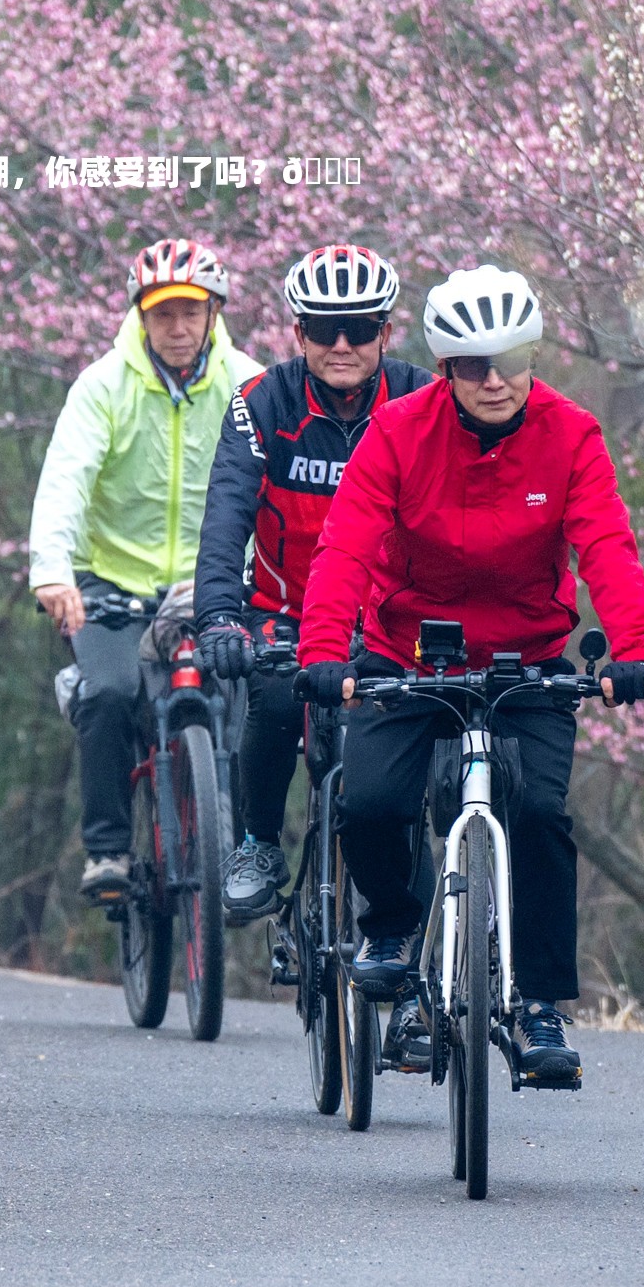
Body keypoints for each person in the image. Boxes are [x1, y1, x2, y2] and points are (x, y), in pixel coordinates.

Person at [295, 264, 644, 1090]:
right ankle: (390, 928)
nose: (494, 380)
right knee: (373, 801)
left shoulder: (571, 436)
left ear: (532, 355)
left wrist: (635, 650)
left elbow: (606, 543)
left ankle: (537, 1007)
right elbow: (346, 546)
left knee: (537, 809)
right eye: (471, 365)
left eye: (511, 359)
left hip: (525, 659)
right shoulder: (396, 432)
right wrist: (325, 652)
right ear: (445, 368)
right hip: (407, 653)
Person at [193, 243, 427, 922]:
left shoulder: (420, 399)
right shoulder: (261, 402)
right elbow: (227, 513)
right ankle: (258, 843)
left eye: (362, 327)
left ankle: (426, 934)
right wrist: (216, 617)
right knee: (270, 688)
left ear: (387, 331)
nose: (344, 343)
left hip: (390, 619)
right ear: (299, 334)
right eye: (326, 328)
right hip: (287, 611)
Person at [28, 238, 260, 908]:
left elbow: (279, 486)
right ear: (140, 317)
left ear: (214, 312)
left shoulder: (250, 384)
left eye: (191, 312)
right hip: (115, 588)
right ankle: (107, 848)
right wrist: (53, 571)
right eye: (164, 315)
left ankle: (245, 852)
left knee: (256, 702)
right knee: (105, 693)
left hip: (215, 585)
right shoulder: (104, 386)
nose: (179, 328)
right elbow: (65, 479)